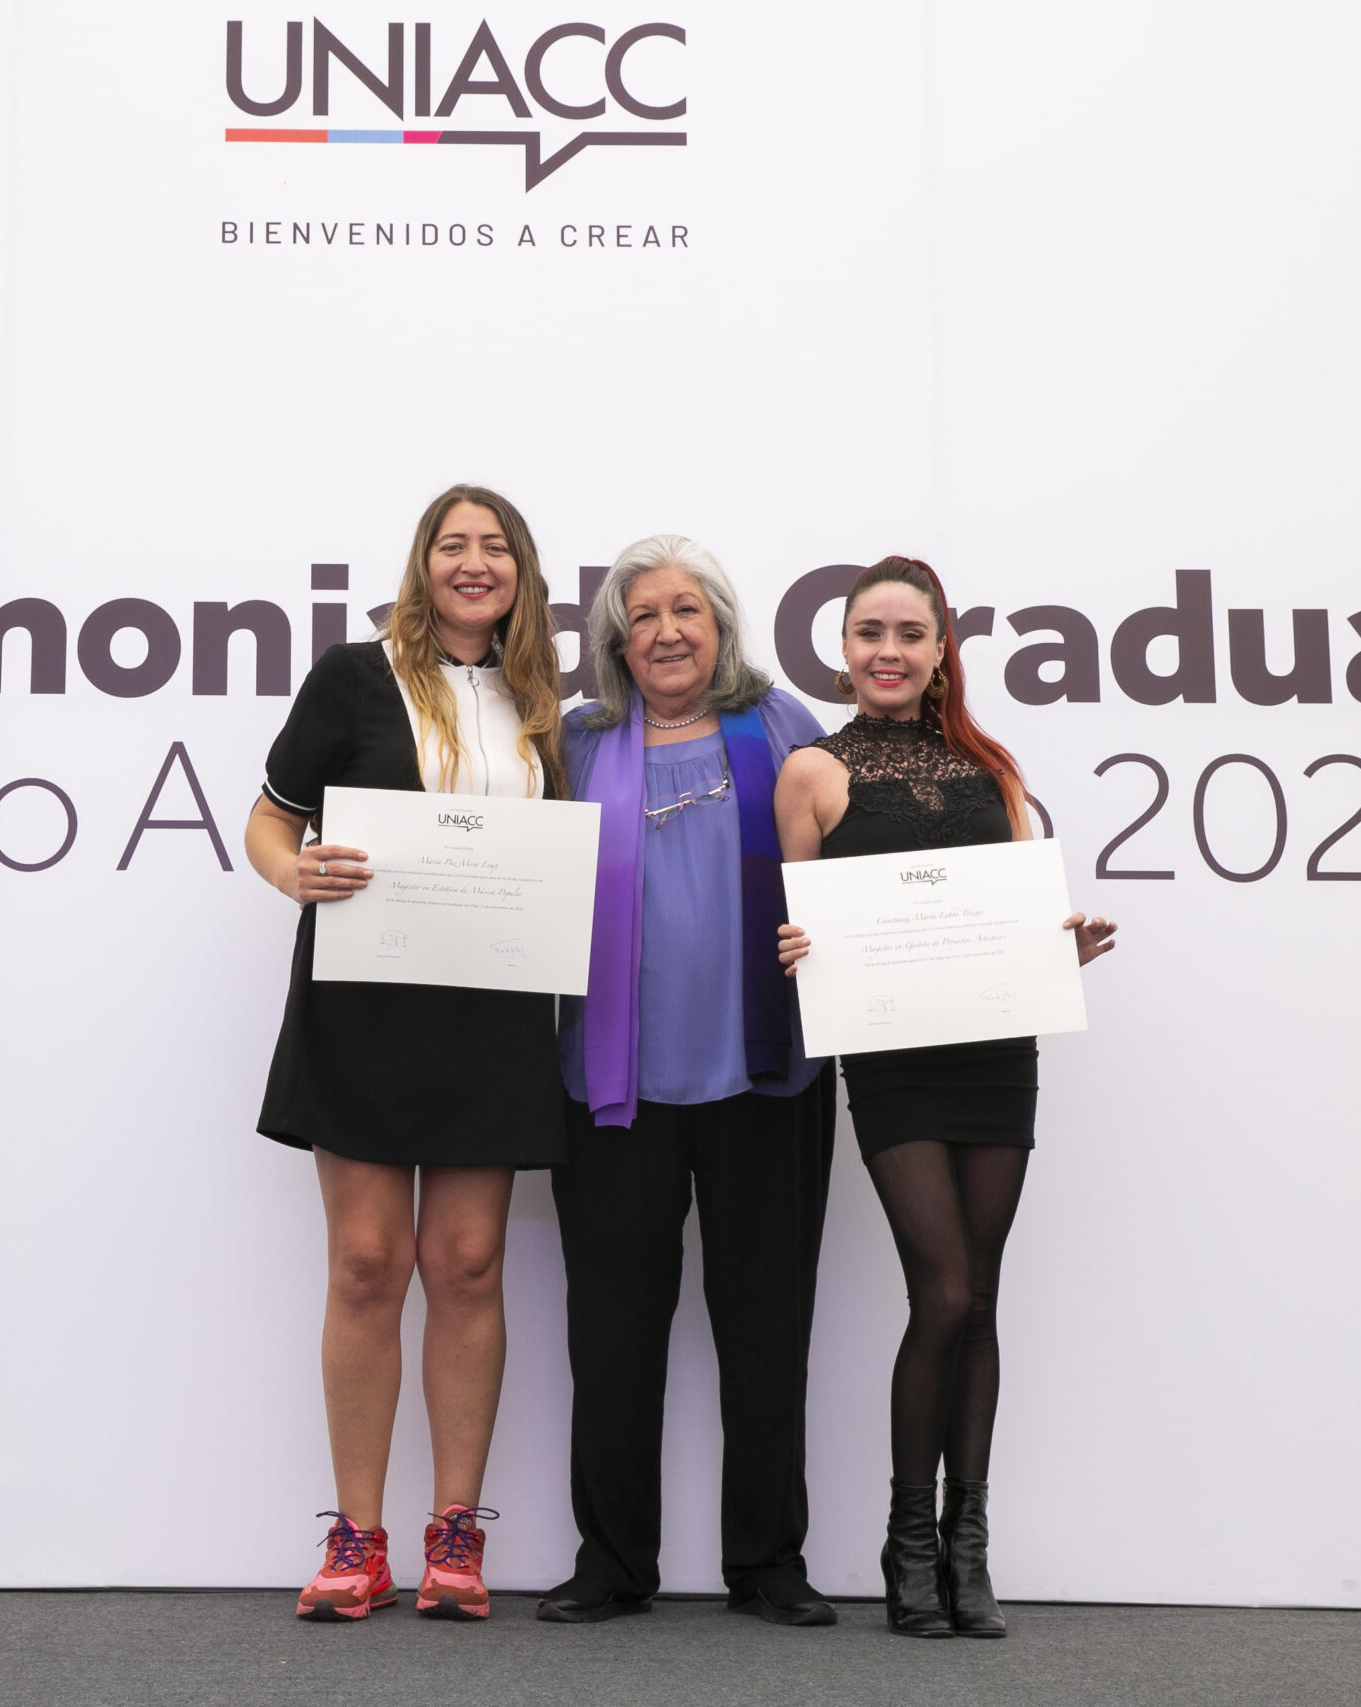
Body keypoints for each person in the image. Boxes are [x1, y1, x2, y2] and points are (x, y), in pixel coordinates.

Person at [775, 556, 1117, 1639]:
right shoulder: (810, 773)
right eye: (869, 632)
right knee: (947, 1291)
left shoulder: (993, 768)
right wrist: (793, 948)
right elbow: (798, 928)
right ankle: (909, 1540)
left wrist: (1065, 948)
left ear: (939, 652)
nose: (888, 651)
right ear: (843, 650)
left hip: (995, 1051)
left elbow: (1022, 920)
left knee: (982, 1294)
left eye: (909, 634)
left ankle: (969, 1547)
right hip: (890, 1060)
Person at [246, 484, 570, 1624]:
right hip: (365, 1003)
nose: (474, 563)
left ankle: (454, 1537)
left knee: (469, 1265)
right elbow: (270, 818)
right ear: (422, 562)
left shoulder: (547, 699)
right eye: (453, 545)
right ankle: (356, 1539)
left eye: (496, 547)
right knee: (366, 1265)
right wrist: (293, 872)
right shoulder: (353, 674)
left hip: (493, 1012)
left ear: (522, 571)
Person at [534, 536, 840, 1628]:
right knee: (611, 1336)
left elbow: (870, 865)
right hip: (612, 1089)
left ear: (721, 626)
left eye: (686, 611)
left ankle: (769, 1563)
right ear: (616, 641)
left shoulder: (786, 725)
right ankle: (612, 1562)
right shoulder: (573, 741)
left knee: (768, 1330)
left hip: (769, 1076)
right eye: (643, 616)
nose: (665, 632)